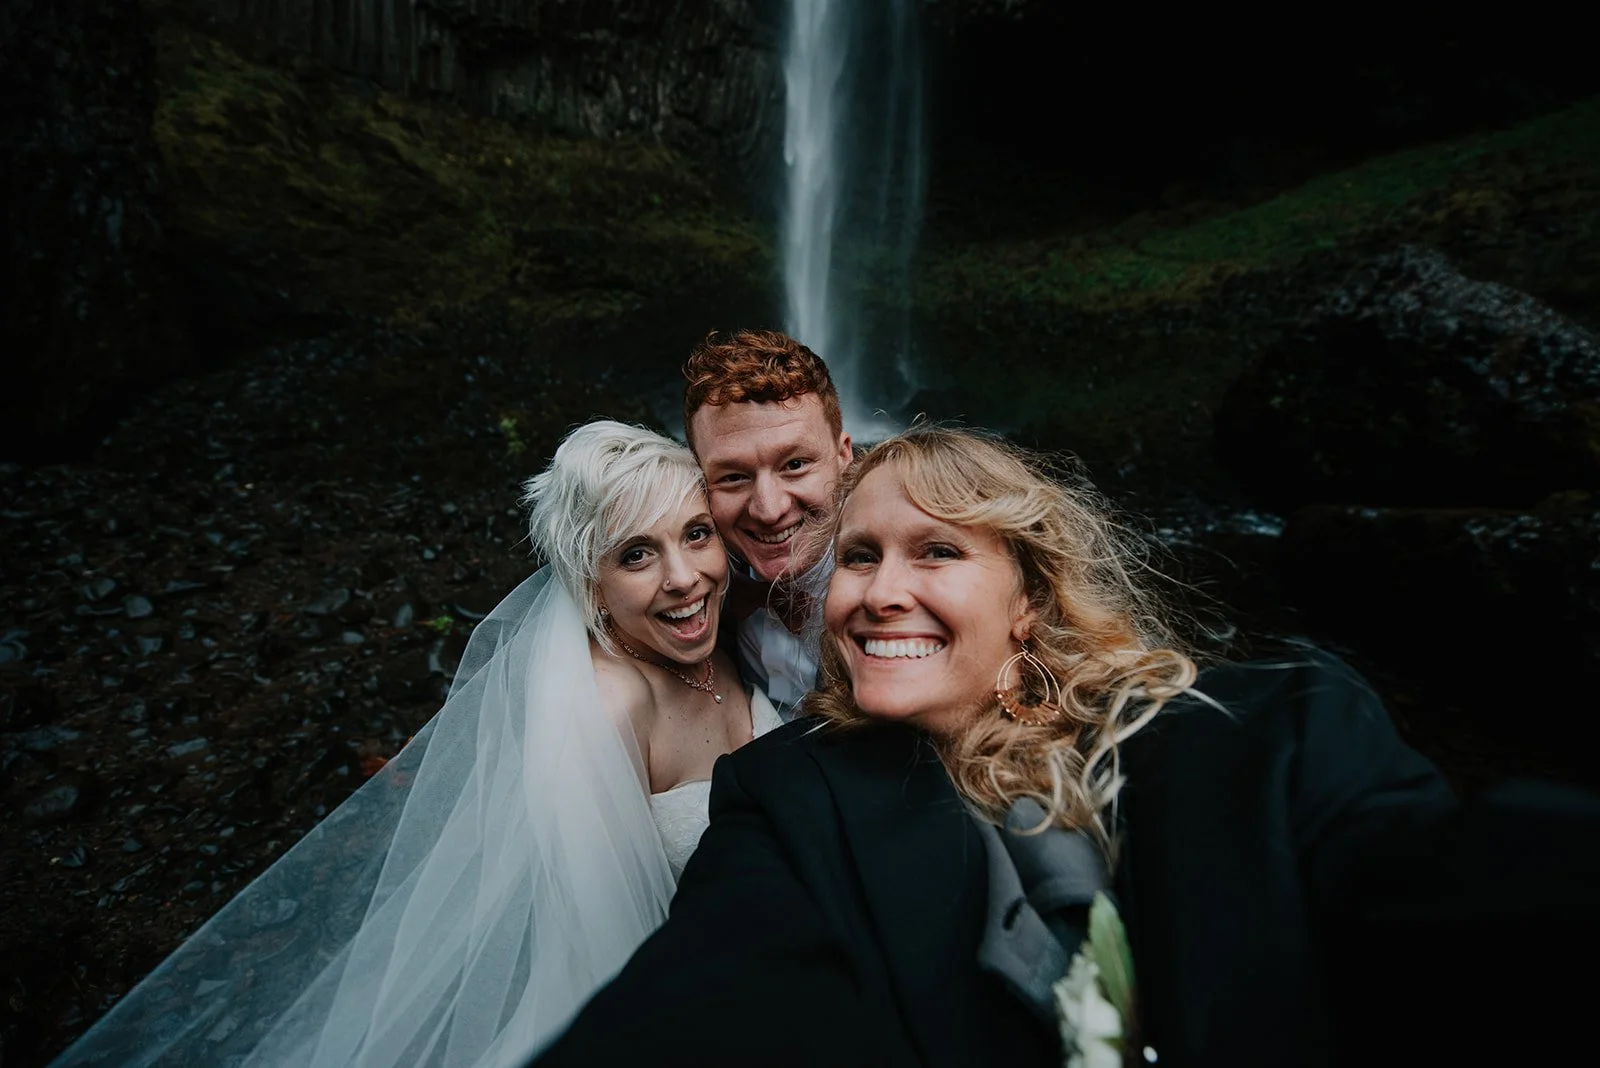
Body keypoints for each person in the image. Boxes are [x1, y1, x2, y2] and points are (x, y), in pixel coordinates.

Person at [531, 425, 1600, 1067]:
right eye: (856, 558)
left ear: (1031, 600)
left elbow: (1438, 887)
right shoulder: (788, 797)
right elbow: (707, 992)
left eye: (934, 550)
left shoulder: (1271, 733)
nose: (878, 591)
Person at [51, 420, 783, 1068]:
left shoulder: (722, 629)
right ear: (589, 586)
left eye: (695, 533)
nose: (686, 578)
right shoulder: (610, 707)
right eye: (635, 555)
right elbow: (618, 942)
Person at [682, 329, 854, 716]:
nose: (769, 510)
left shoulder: (900, 587)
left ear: (844, 456)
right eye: (733, 477)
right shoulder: (686, 589)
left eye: (795, 465)